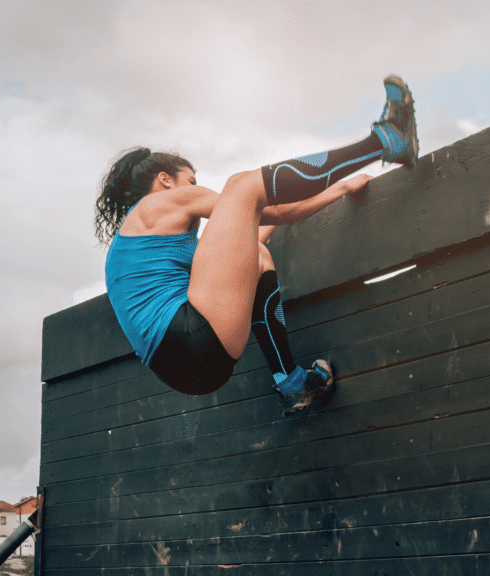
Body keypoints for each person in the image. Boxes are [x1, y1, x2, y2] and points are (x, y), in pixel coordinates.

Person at [96, 75, 417, 415]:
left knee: (259, 254)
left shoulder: (137, 246)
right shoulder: (158, 206)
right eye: (191, 181)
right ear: (165, 179)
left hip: (188, 369)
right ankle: (385, 140)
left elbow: (252, 238)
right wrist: (328, 190)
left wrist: (337, 191)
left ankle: (292, 383)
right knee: (241, 185)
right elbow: (270, 207)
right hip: (192, 338)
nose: (194, 187)